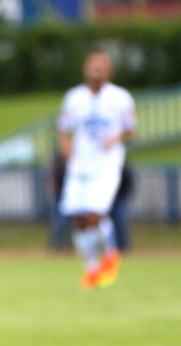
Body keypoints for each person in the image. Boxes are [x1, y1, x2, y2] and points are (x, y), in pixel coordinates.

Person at [57, 49, 136, 288]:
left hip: (106, 165)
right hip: (80, 164)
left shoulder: (121, 98)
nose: (97, 69)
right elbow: (63, 128)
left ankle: (111, 253)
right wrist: (67, 149)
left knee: (95, 213)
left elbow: (131, 128)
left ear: (109, 71)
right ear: (86, 68)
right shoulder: (73, 97)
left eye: (102, 65)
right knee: (79, 219)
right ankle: (92, 269)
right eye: (94, 65)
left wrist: (115, 138)